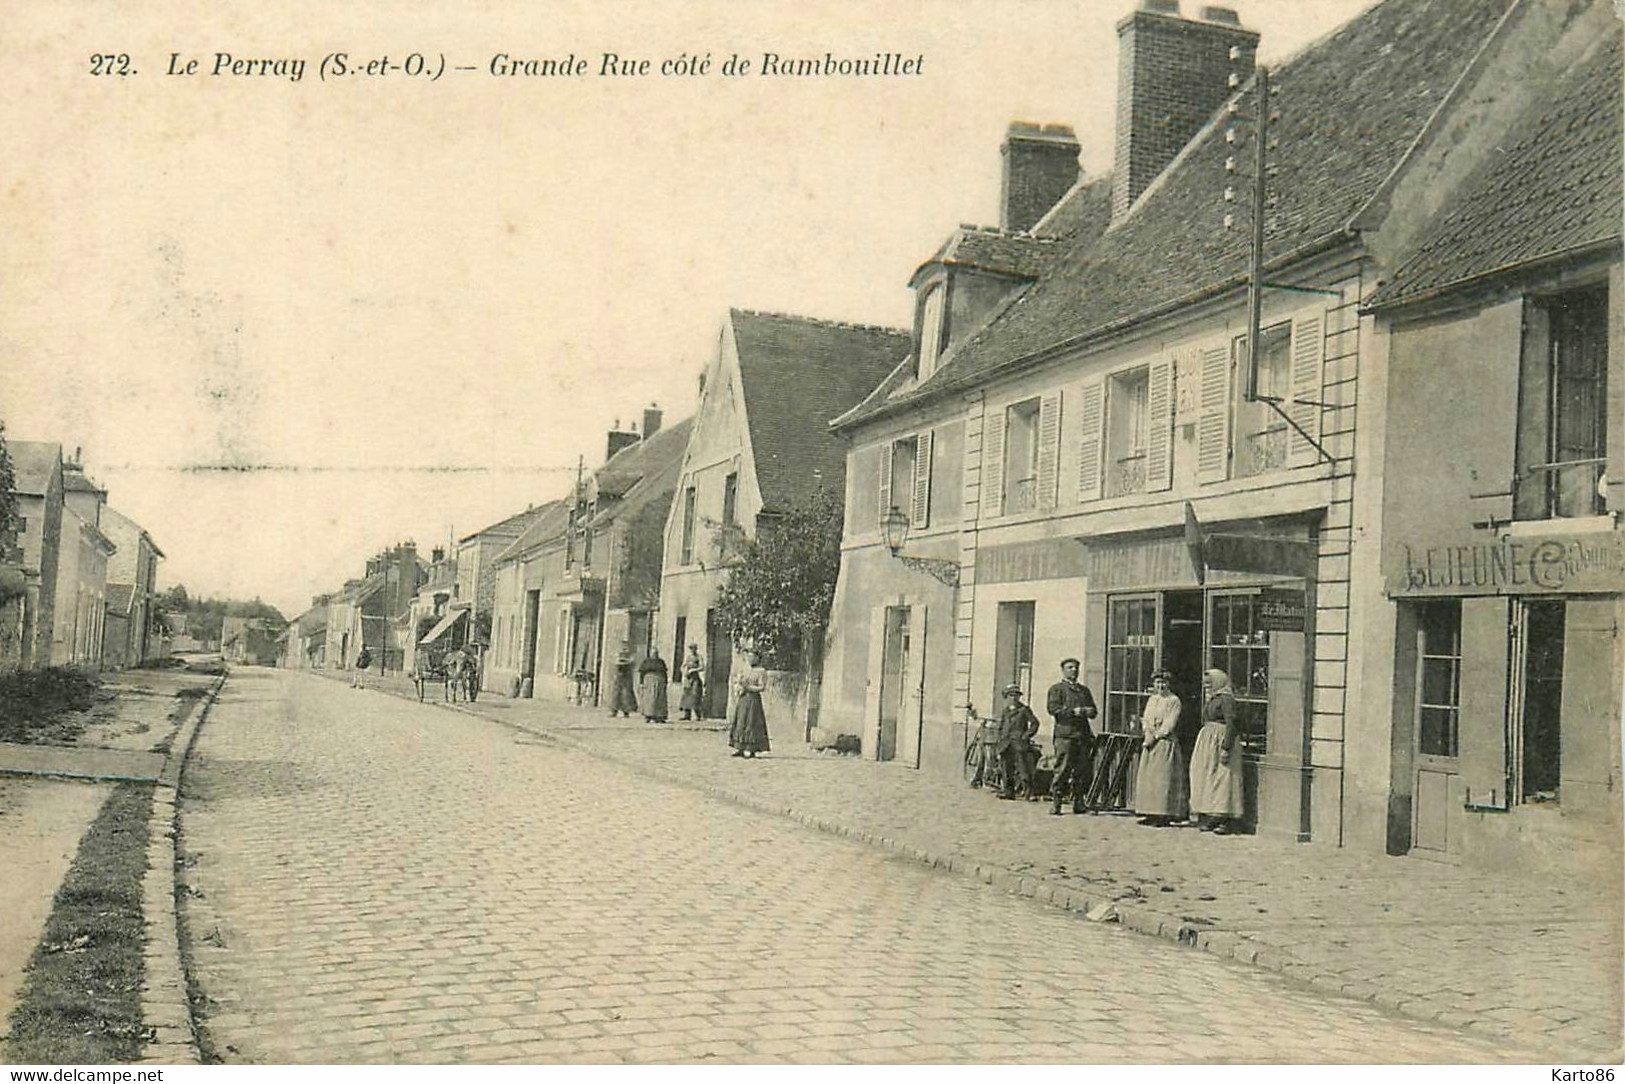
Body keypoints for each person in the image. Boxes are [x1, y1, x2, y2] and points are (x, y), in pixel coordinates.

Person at [1190, 668, 1244, 834]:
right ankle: (1210, 816)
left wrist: (1226, 747)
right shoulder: (1213, 698)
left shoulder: (1227, 699)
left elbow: (1232, 724)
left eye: (1210, 683)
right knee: (1207, 777)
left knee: (1223, 778)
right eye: (1205, 684)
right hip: (1208, 741)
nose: (1206, 687)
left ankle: (1225, 819)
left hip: (1220, 740)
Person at [1045, 658, 1098, 815]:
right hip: (1065, 735)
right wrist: (1073, 711)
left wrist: (1089, 711)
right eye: (1070, 668)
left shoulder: (1084, 691)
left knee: (1081, 770)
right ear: (1063, 670)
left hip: (1082, 735)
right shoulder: (1057, 689)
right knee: (1062, 769)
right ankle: (1056, 803)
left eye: (1075, 668)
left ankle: (1078, 802)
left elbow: (1094, 711)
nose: (1073, 670)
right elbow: (1053, 708)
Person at [1134, 670, 1187, 826]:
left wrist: (1157, 735)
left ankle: (1163, 814)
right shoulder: (1152, 699)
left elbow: (1170, 722)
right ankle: (1150, 812)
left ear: (1169, 684)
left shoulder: (1174, 701)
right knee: (1149, 778)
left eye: (1164, 682)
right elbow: (1146, 718)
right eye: (1158, 682)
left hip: (1164, 742)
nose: (1161, 685)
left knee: (1163, 778)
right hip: (1150, 741)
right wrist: (1147, 732)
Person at [995, 683, 1040, 800]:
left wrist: (1026, 736)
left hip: (1019, 743)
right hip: (1006, 744)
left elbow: (1035, 723)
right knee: (1006, 769)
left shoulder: (1024, 710)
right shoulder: (1005, 711)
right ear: (1007, 697)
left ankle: (1029, 793)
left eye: (1016, 695)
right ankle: (1008, 792)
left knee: (1023, 769)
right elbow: (1001, 726)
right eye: (1011, 695)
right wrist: (1000, 738)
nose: (1013, 698)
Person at [728, 649, 771, 758]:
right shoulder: (745, 669)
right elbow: (738, 680)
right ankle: (740, 748)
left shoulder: (761, 671)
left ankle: (752, 750)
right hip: (743, 699)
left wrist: (749, 687)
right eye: (749, 657)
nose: (750, 659)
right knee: (741, 722)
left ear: (758, 658)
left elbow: (762, 687)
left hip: (753, 700)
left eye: (753, 657)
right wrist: (739, 686)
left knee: (752, 723)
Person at [637, 647, 670, 723]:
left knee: (659, 699)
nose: (654, 654)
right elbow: (642, 673)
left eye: (656, 653)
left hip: (660, 681)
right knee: (649, 699)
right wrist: (641, 683)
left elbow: (664, 672)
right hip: (649, 682)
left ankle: (659, 716)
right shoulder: (646, 662)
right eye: (653, 653)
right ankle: (648, 715)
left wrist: (666, 682)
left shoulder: (661, 662)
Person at [609, 641, 638, 717]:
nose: (624, 649)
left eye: (625, 647)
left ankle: (626, 711)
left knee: (626, 695)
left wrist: (625, 662)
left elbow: (632, 663)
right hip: (618, 678)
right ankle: (614, 710)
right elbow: (615, 662)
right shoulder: (618, 655)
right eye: (623, 647)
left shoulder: (631, 656)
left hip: (626, 678)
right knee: (616, 695)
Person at [679, 644, 704, 721]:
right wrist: (684, 672)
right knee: (687, 695)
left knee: (695, 695)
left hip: (695, 678)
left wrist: (693, 670)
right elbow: (682, 666)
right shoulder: (688, 657)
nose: (692, 650)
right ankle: (687, 715)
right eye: (690, 649)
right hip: (688, 679)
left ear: (696, 649)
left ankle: (698, 715)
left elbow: (702, 667)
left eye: (693, 649)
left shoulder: (699, 657)